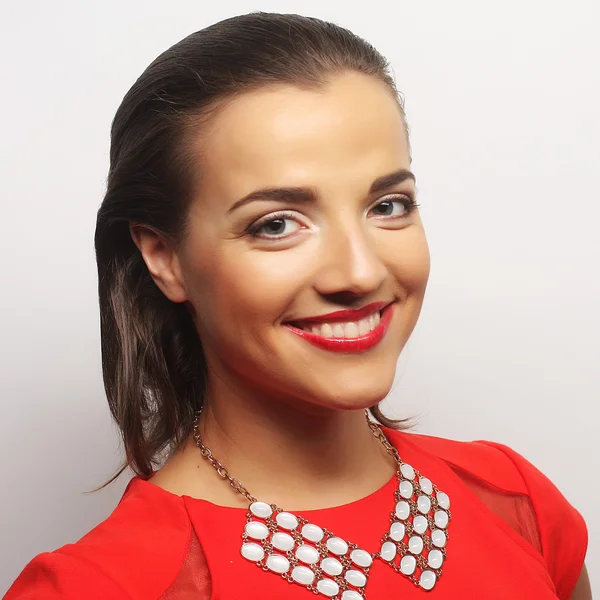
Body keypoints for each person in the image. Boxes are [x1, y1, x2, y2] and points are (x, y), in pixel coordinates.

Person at [4, 11, 590, 600]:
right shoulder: (96, 587)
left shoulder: (516, 500)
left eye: (387, 205)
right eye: (276, 223)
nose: (360, 272)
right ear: (165, 258)